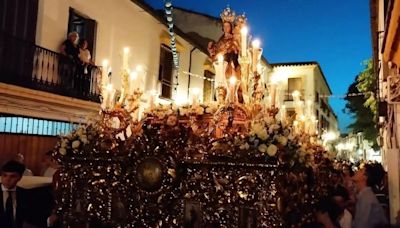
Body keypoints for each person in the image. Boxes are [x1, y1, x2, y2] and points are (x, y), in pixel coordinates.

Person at [352, 163, 387, 228]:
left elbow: (362, 225)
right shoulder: (364, 195)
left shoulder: (366, 198)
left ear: (365, 177)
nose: (356, 171)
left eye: (360, 170)